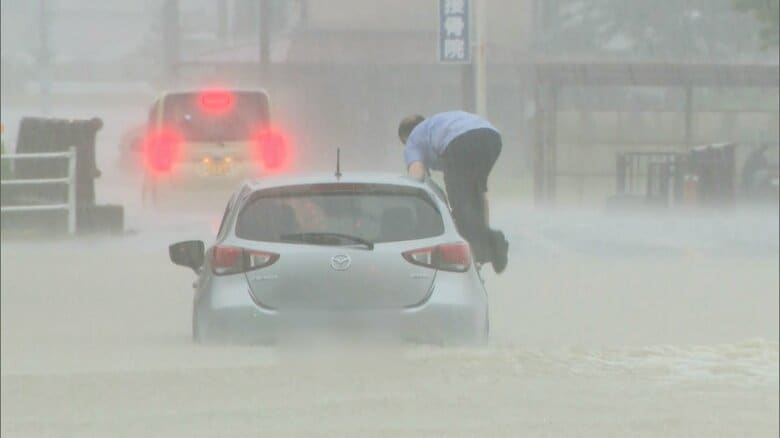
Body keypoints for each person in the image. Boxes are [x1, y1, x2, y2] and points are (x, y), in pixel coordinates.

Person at [398, 111, 508, 273]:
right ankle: (484, 248)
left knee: (460, 205)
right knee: (472, 196)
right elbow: (482, 197)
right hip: (491, 137)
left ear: (405, 138)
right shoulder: (436, 126)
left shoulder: (413, 139)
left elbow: (417, 179)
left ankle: (489, 245)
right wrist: (484, 227)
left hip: (461, 142)